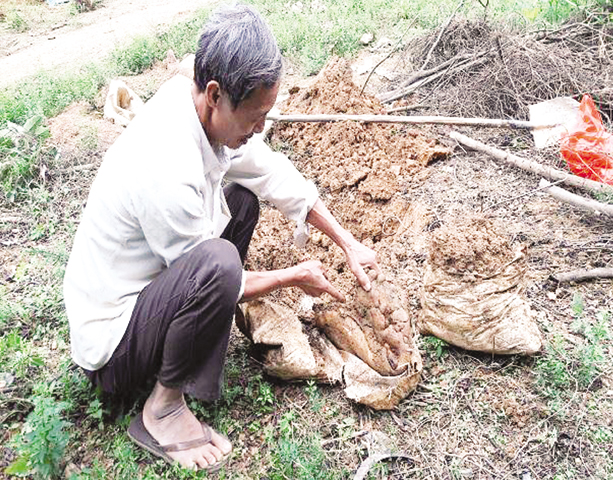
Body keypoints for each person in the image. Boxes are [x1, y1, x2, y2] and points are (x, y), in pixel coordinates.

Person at [63, 3, 380, 472]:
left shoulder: (204, 112)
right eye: (254, 116)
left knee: (244, 201)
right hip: (114, 350)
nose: (260, 129)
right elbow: (210, 269)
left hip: (154, 295)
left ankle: (194, 343)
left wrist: (347, 242)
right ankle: (162, 409)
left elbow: (270, 172)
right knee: (219, 262)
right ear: (215, 94)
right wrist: (291, 276)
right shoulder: (165, 162)